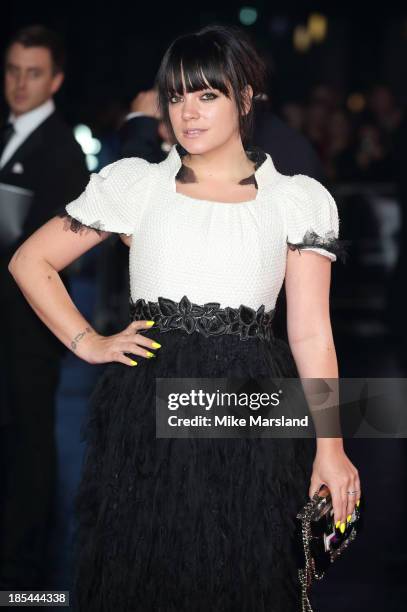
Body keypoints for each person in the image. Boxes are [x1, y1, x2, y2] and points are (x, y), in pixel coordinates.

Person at [8, 24, 361, 611]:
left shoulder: (294, 199)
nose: (187, 111)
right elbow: (31, 260)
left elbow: (310, 334)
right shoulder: (137, 186)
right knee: (142, 572)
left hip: (256, 415)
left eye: (206, 94)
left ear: (244, 99)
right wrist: (87, 341)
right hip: (145, 410)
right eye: (176, 95)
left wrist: (332, 446)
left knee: (245, 574)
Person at [0, 25, 88, 588]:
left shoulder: (61, 149)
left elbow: (60, 256)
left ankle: (22, 565)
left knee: (30, 436)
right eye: (12, 70)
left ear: (54, 79)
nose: (19, 83)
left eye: (33, 72)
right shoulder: (6, 133)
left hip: (29, 327)